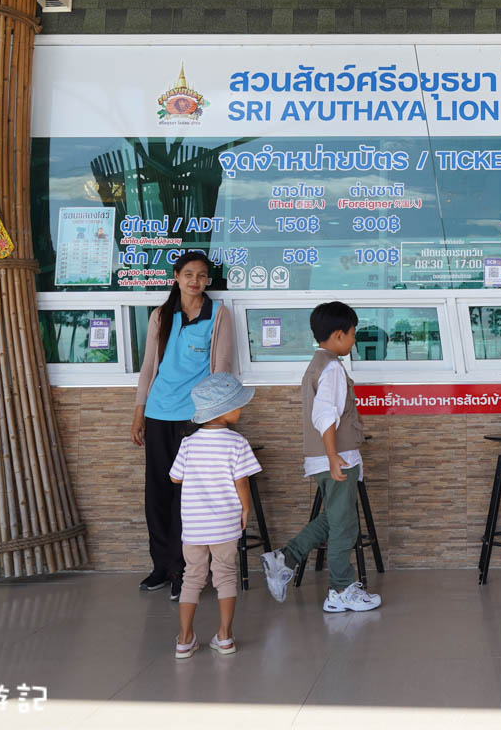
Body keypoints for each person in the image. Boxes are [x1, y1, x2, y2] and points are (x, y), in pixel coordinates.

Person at [261, 301, 382, 613]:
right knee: (345, 528)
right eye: (353, 334)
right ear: (339, 335)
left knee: (335, 518)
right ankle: (341, 590)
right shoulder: (332, 369)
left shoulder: (317, 364)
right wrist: (333, 456)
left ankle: (284, 558)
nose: (355, 341)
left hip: (328, 458)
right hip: (337, 458)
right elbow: (325, 415)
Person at [131, 251, 232, 600]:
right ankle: (162, 565)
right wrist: (139, 413)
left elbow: (221, 370)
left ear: (208, 281)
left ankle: (184, 571)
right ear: (176, 275)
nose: (195, 281)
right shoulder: (162, 315)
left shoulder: (218, 315)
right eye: (189, 273)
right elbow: (148, 368)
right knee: (157, 492)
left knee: (187, 497)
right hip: (159, 413)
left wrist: (215, 420)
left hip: (195, 419)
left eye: (202, 275)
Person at [170, 372, 261, 659]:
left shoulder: (188, 444)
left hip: (195, 527)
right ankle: (225, 636)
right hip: (225, 524)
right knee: (225, 575)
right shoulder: (237, 443)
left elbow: (175, 478)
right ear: (223, 410)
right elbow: (242, 482)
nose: (242, 409)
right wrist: (246, 509)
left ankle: (184, 640)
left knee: (192, 577)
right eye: (238, 404)